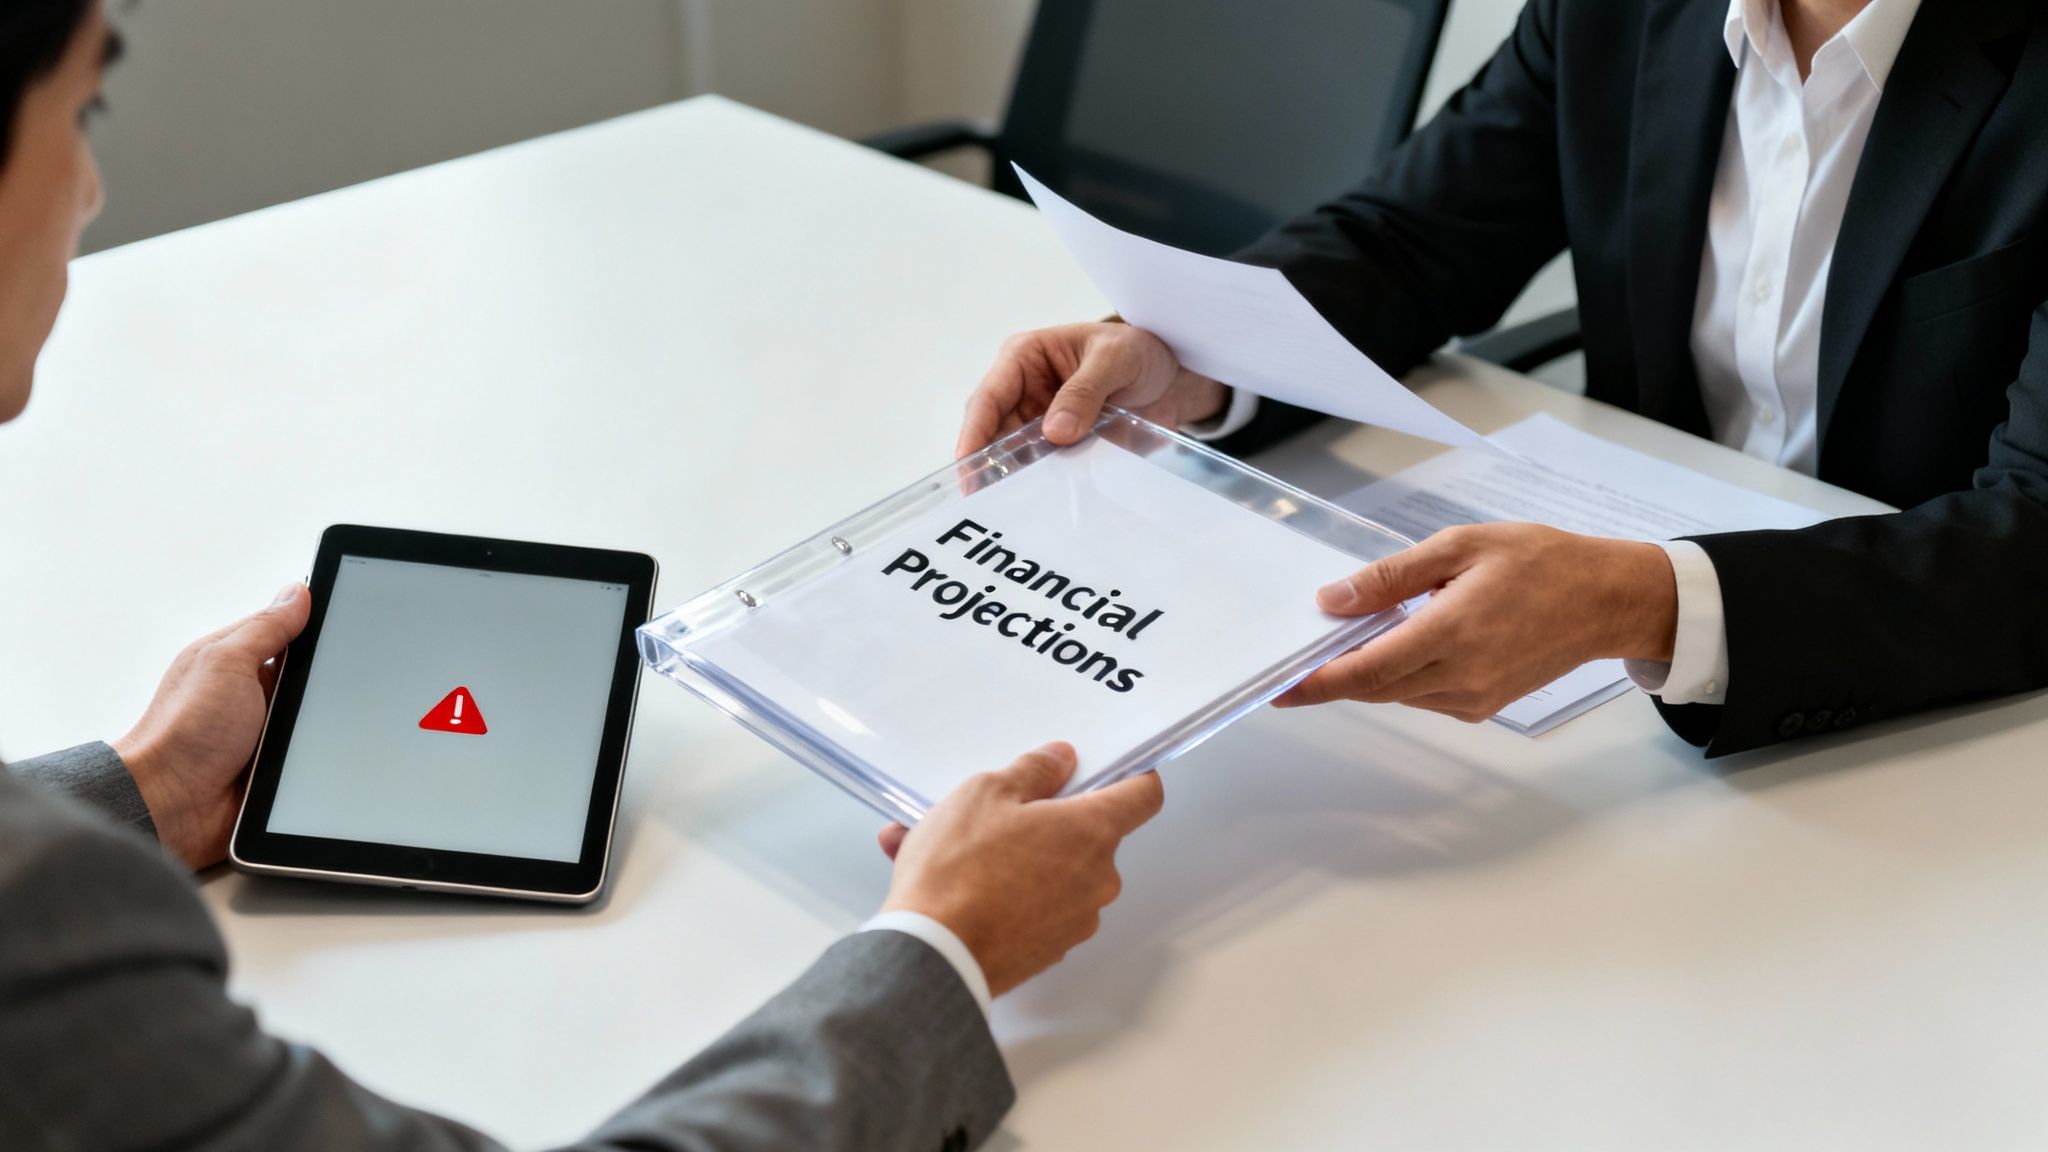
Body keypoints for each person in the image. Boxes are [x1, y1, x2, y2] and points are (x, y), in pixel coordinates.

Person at [0, 4, 1164, 1149]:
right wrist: (946, 943)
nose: (94, 190)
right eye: (84, 108)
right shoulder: (55, 934)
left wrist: (149, 787)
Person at [961, 0, 2048, 757]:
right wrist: (1184, 352)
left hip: (1936, 713)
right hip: (1617, 722)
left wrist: (1645, 601)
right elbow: (1411, 238)